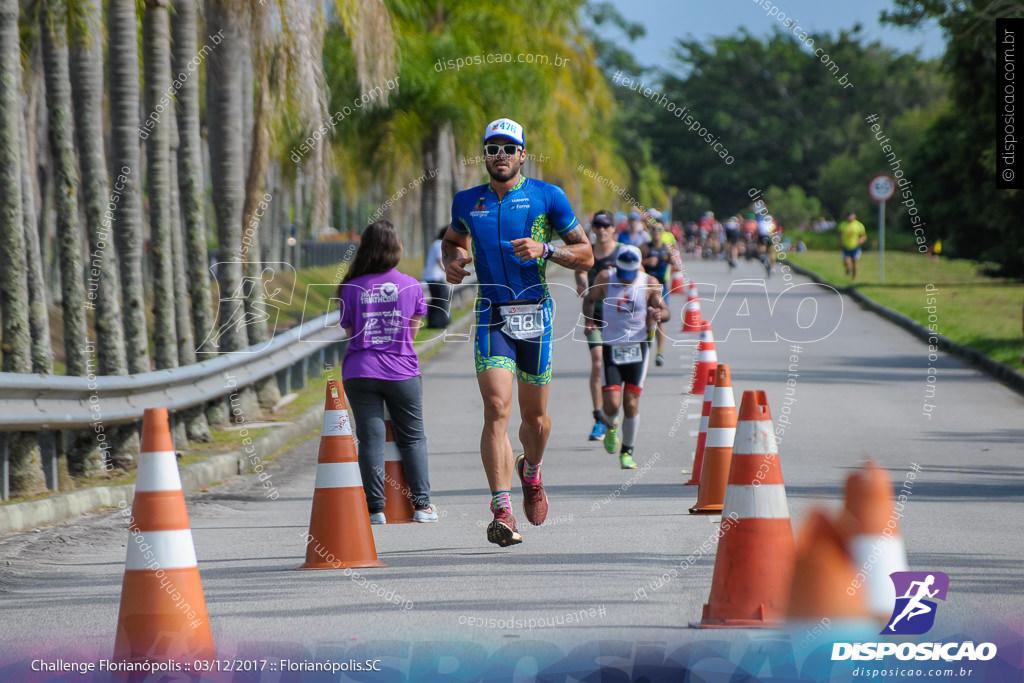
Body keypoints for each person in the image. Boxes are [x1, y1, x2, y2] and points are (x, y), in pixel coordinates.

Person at [444, 117, 593, 547]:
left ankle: (532, 471)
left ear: (523, 155)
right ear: (484, 156)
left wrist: (546, 249)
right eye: (493, 149)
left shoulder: (548, 196)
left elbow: (584, 256)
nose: (501, 156)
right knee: (495, 407)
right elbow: (453, 240)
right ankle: (501, 509)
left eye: (509, 149)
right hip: (492, 311)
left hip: (535, 315)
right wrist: (453, 260)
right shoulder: (468, 201)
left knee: (536, 421)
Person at [338, 220, 437, 524]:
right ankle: (422, 507)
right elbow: (413, 331)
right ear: (396, 248)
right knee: (413, 439)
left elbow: (350, 332)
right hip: (401, 370)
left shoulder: (350, 286)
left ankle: (375, 509)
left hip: (360, 371)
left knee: (369, 440)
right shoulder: (411, 284)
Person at [583, 245, 669, 469]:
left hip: (638, 348)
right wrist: (590, 322)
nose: (626, 280)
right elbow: (589, 299)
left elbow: (666, 311)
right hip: (612, 347)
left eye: (630, 275)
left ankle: (627, 451)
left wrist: (659, 313)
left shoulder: (648, 283)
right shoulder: (605, 277)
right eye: (623, 274)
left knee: (630, 404)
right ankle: (611, 426)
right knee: (611, 405)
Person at [575, 210, 620, 441]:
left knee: (618, 367)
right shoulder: (588, 252)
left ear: (613, 228)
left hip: (621, 320)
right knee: (598, 362)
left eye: (606, 225)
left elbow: (641, 277)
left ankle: (614, 409)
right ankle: (599, 419)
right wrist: (582, 282)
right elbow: (580, 270)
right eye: (597, 225)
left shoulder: (624, 253)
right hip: (595, 316)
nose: (601, 229)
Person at [642, 220, 679, 366]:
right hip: (646, 287)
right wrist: (646, 262)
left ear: (663, 232)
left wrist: (674, 262)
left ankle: (660, 352)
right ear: (650, 232)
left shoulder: (666, 248)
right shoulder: (645, 248)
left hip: (662, 286)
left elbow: (676, 263)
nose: (656, 232)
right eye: (654, 229)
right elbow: (636, 265)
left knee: (661, 317)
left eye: (659, 229)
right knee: (648, 315)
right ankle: (649, 335)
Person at [422, 226, 452, 328]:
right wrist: (448, 271)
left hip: (433, 276)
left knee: (437, 300)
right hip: (433, 277)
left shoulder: (438, 243)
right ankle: (437, 322)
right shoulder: (439, 244)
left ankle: (436, 322)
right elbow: (440, 261)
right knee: (440, 299)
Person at [839, 211, 867, 280]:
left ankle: (853, 278)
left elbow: (864, 236)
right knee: (846, 261)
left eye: (851, 216)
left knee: (854, 262)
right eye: (849, 216)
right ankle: (848, 270)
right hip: (846, 246)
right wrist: (841, 241)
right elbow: (840, 234)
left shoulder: (859, 225)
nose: (850, 217)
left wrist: (861, 240)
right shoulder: (843, 225)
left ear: (855, 216)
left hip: (855, 246)